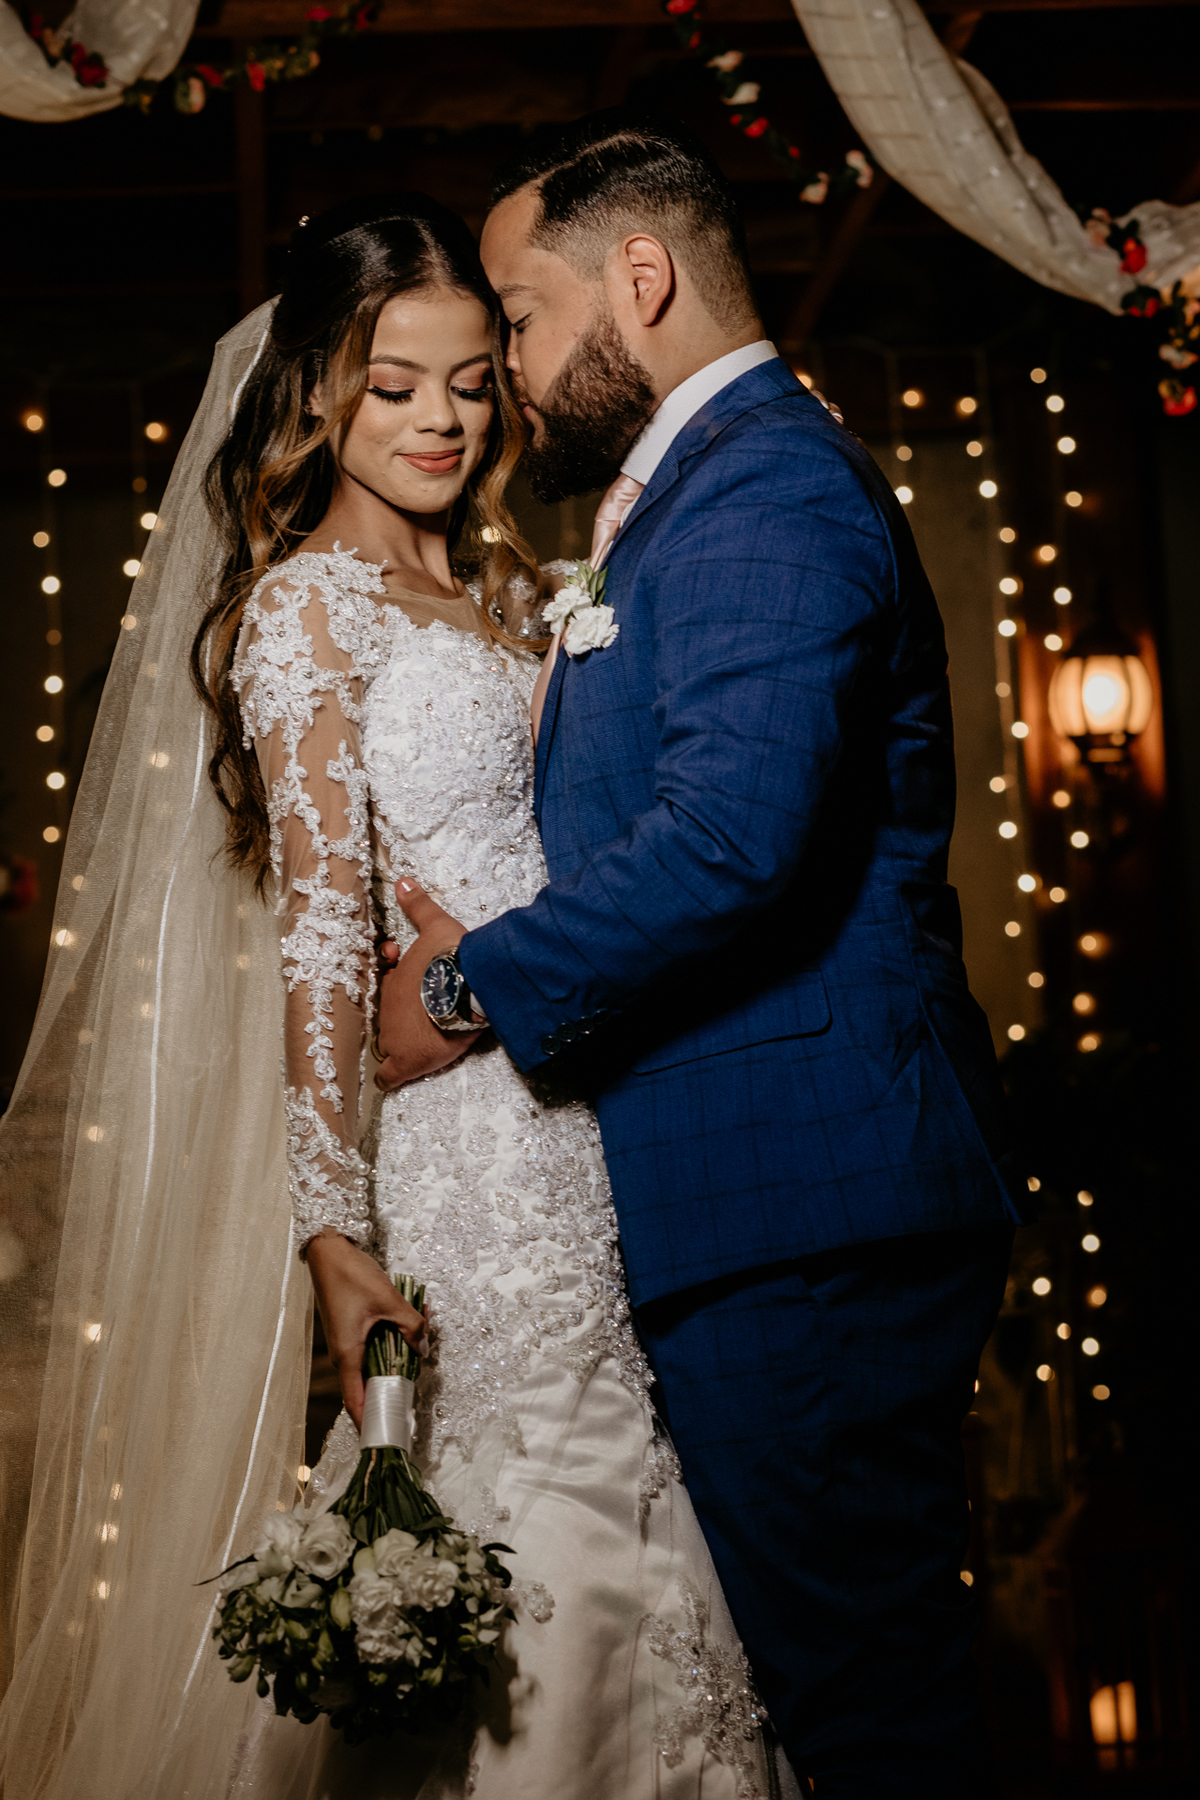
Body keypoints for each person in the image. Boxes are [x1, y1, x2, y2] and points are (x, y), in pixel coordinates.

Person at [0, 196, 779, 1800]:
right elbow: (319, 935)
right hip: (469, 1156)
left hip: (603, 1110)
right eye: (395, 385)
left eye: (473, 384)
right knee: (543, 1506)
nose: (442, 421)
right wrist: (333, 1234)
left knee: (641, 1500)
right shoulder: (306, 609)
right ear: (317, 396)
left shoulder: (517, 589)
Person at [375, 112, 1024, 1797]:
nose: (510, 374)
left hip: (805, 1203)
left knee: (869, 1709)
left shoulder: (764, 486)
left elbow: (732, 841)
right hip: (756, 1202)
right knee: (835, 1700)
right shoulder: (695, 498)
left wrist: (462, 990)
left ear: (640, 279)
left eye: (523, 318)